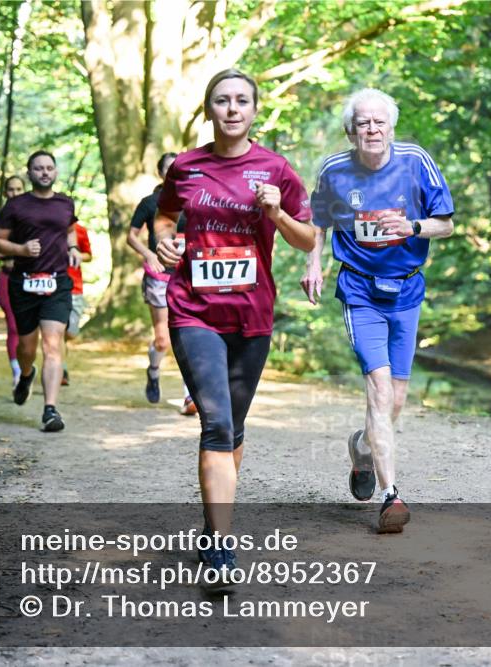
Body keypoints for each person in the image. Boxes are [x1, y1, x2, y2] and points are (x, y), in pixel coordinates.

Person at [155, 69, 314, 585]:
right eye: (222, 100)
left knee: (235, 427)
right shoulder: (185, 166)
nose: (232, 109)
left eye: (241, 100)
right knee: (217, 424)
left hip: (251, 315)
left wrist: (277, 213)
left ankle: (210, 524)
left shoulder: (275, 170)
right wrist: (165, 242)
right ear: (209, 110)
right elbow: (163, 217)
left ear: (254, 110)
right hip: (194, 310)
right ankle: (222, 548)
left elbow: (309, 239)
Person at [302, 88, 455, 534]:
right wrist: (314, 263)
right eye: (363, 123)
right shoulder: (334, 170)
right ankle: (392, 497)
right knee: (380, 391)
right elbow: (316, 220)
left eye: (379, 122)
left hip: (406, 290)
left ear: (391, 127)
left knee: (397, 400)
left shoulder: (416, 161)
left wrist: (411, 226)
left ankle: (363, 450)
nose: (372, 129)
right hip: (359, 291)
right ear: (351, 131)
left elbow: (446, 223)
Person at [0, 150, 82, 432]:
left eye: (49, 168)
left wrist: (74, 247)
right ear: (30, 173)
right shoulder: (16, 206)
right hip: (24, 282)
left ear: (55, 172)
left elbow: (69, 230)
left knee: (53, 344)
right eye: (39, 168)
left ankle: (50, 410)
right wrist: (20, 249)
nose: (44, 172)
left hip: (57, 283)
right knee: (27, 348)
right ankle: (26, 374)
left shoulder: (65, 203)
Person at [127, 153, 197, 415]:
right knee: (162, 340)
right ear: (160, 173)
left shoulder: (194, 200)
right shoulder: (150, 203)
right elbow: (131, 236)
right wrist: (149, 255)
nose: (173, 173)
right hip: (159, 276)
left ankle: (190, 395)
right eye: (168, 169)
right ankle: (153, 370)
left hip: (190, 275)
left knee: (192, 334)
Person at [0, 176, 26, 386]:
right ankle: (17, 371)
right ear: (4, 193)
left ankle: (28, 367)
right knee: (13, 326)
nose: (14, 194)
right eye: (10, 190)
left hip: (30, 277)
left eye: (19, 189)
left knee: (29, 328)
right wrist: (2, 254)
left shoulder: (32, 216)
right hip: (7, 276)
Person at [61, 220, 92, 386]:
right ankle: (61, 369)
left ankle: (58, 356)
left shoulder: (80, 230)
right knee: (57, 331)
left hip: (75, 287)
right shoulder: (49, 227)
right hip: (55, 286)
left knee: (71, 332)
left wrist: (79, 255)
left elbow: (88, 254)